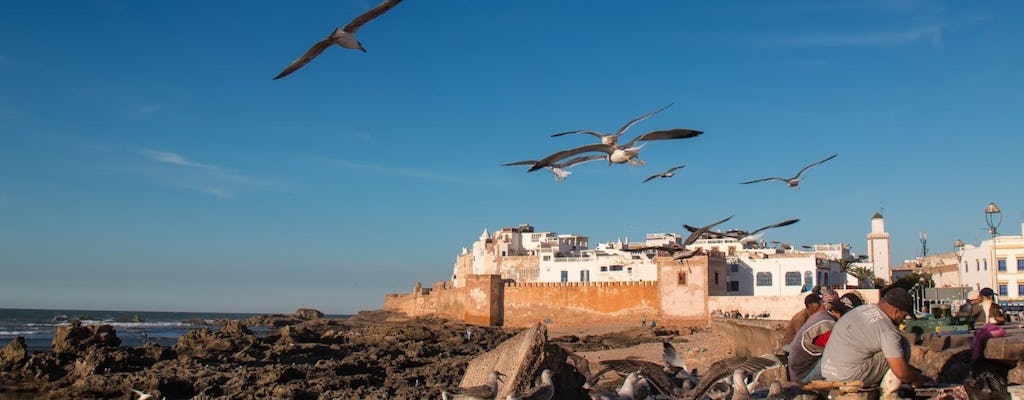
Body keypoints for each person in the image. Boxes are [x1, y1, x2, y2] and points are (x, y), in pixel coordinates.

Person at [820, 288, 934, 388]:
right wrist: (916, 379)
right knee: (902, 345)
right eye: (903, 316)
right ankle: (888, 391)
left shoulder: (862, 309)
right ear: (896, 312)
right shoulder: (888, 330)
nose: (903, 320)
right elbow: (901, 373)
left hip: (827, 372)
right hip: (848, 377)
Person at [788, 292, 864, 383]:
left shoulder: (824, 315)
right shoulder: (826, 325)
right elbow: (840, 349)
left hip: (803, 368)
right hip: (803, 375)